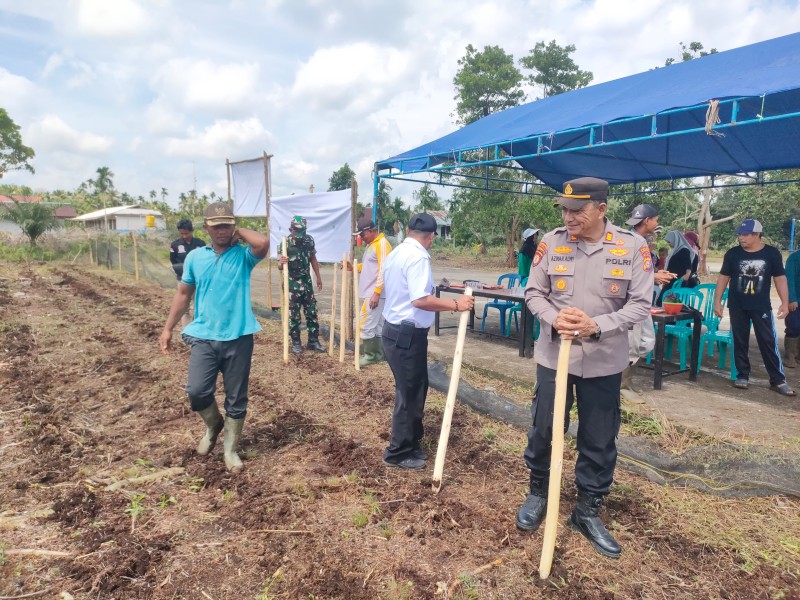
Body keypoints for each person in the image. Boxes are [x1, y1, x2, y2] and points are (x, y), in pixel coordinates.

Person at [515, 177, 652, 559]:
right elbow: (533, 293)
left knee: (599, 435)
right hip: (554, 357)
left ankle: (587, 510)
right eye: (565, 209)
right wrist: (553, 319)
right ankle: (538, 492)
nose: (568, 216)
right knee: (545, 427)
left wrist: (596, 326)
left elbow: (641, 304)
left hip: (603, 359)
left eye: (578, 210)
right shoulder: (552, 242)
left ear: (602, 210)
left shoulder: (632, 247)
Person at [159, 202, 269, 472]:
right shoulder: (196, 257)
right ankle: (213, 425)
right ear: (206, 227)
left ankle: (229, 450)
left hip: (239, 336)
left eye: (227, 225)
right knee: (197, 392)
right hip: (205, 335)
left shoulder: (243, 256)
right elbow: (184, 294)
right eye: (216, 225)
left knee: (236, 396)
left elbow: (263, 243)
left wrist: (239, 231)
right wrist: (168, 328)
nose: (222, 230)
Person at [381, 213, 475, 469]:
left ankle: (411, 443)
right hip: (406, 335)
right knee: (409, 393)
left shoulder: (397, 252)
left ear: (409, 229)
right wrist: (456, 304)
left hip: (395, 332)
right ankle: (397, 452)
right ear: (432, 236)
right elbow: (420, 299)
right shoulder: (419, 256)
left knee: (416, 388)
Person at [714, 219, 796, 396]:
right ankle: (742, 375)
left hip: (761, 306)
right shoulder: (733, 254)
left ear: (757, 234)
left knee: (768, 341)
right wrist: (717, 301)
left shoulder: (771, 254)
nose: (741, 237)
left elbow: (780, 278)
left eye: (745, 234)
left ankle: (778, 380)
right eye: (740, 234)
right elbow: (723, 278)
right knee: (740, 340)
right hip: (737, 305)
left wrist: (784, 301)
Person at [622, 204, 675, 391]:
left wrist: (656, 273)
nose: (657, 223)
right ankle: (622, 386)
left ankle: (624, 383)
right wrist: (654, 276)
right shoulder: (630, 242)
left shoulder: (640, 241)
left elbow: (640, 270)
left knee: (645, 341)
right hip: (631, 300)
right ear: (647, 221)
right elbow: (623, 272)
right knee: (634, 343)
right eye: (656, 220)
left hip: (642, 299)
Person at [278, 216, 326, 355]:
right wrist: (282, 262)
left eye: (302, 231)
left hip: (306, 282)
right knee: (294, 315)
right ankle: (296, 343)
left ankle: (313, 341)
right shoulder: (285, 243)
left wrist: (318, 277)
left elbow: (312, 258)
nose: (300, 235)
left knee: (311, 312)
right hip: (292, 284)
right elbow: (279, 266)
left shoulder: (308, 240)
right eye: (297, 231)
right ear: (290, 229)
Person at [351, 217, 392, 366]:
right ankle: (378, 355)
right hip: (373, 293)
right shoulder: (372, 245)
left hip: (376, 294)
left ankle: (370, 355)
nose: (361, 238)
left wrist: (377, 292)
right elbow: (370, 266)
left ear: (371, 231)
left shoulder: (381, 244)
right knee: (377, 325)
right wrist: (355, 267)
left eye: (362, 235)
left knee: (365, 323)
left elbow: (383, 270)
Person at [169, 219, 206, 327]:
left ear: (192, 231)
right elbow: (173, 260)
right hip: (182, 279)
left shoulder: (200, 244)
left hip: (198, 279)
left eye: (186, 233)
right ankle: (186, 330)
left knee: (197, 305)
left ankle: (196, 328)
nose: (184, 236)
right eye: (182, 233)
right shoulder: (175, 245)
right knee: (184, 306)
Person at [657, 230, 699, 304]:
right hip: (671, 281)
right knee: (663, 303)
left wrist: (679, 283)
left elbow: (688, 270)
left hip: (677, 283)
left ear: (675, 240)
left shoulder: (684, 250)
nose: (669, 244)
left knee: (665, 303)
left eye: (669, 242)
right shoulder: (674, 250)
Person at [784, 245, 800, 368]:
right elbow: (789, 279)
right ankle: (790, 357)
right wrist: (792, 298)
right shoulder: (794, 258)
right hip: (796, 300)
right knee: (793, 326)